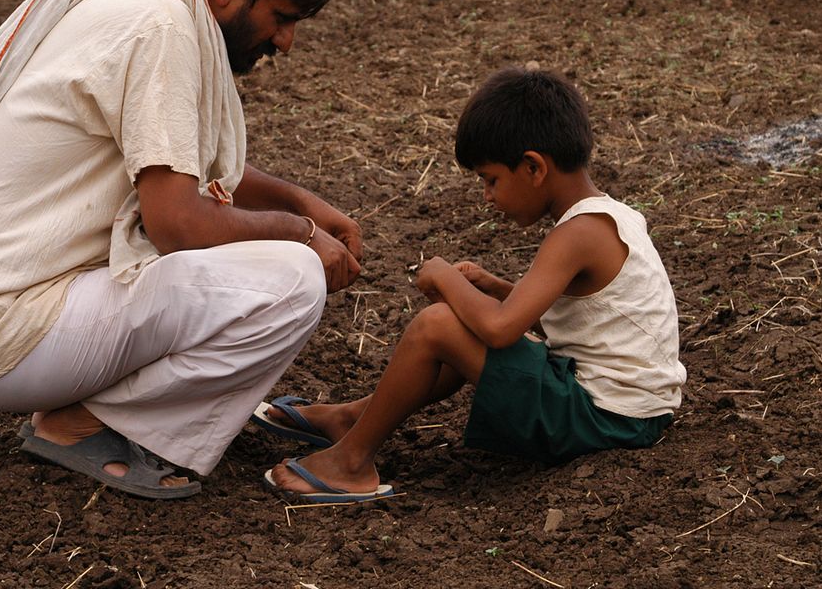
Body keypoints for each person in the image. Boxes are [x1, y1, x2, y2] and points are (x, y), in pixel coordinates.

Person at [0, 0, 362, 499]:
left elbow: (172, 163)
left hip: (7, 320)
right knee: (292, 281)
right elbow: (178, 221)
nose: (285, 42)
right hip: (20, 333)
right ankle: (88, 424)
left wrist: (299, 201)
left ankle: (94, 410)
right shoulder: (160, 25)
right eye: (281, 17)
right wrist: (301, 233)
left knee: (269, 262)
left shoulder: (140, 1)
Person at [259, 67, 687, 504]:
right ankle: (354, 417)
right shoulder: (609, 216)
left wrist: (443, 275)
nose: (487, 196)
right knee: (462, 326)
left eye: (491, 179)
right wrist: (498, 287)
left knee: (439, 325)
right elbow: (583, 316)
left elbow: (501, 329)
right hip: (629, 412)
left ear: (534, 167)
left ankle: (349, 463)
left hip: (606, 418)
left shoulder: (576, 234)